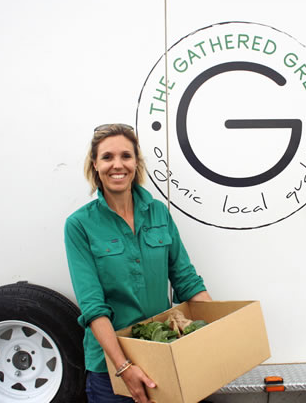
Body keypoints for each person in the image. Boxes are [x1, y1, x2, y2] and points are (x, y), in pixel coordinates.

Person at [64, 123, 212, 403]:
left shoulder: (158, 213)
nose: (117, 165)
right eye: (107, 157)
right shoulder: (79, 225)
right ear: (95, 164)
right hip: (110, 369)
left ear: (136, 162)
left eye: (126, 156)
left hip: (164, 353)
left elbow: (186, 280)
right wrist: (124, 367)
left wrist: (215, 333)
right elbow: (93, 307)